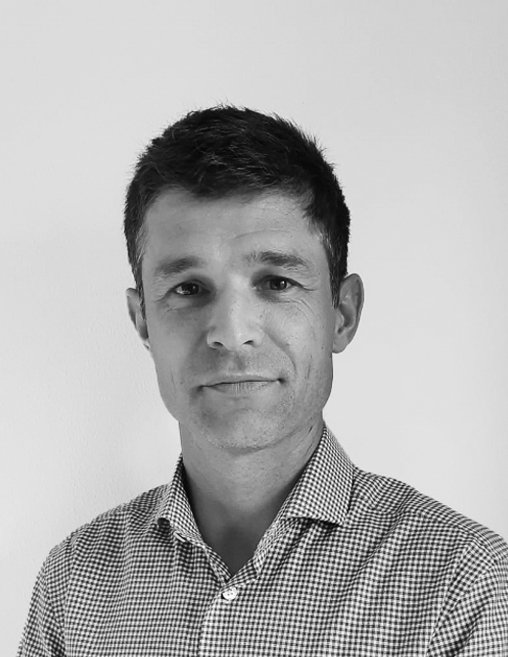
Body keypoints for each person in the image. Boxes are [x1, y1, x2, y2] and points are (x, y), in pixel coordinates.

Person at [18, 106, 508, 656]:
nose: (231, 333)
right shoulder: (72, 583)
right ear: (142, 322)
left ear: (342, 314)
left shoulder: (464, 587)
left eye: (276, 282)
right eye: (188, 288)